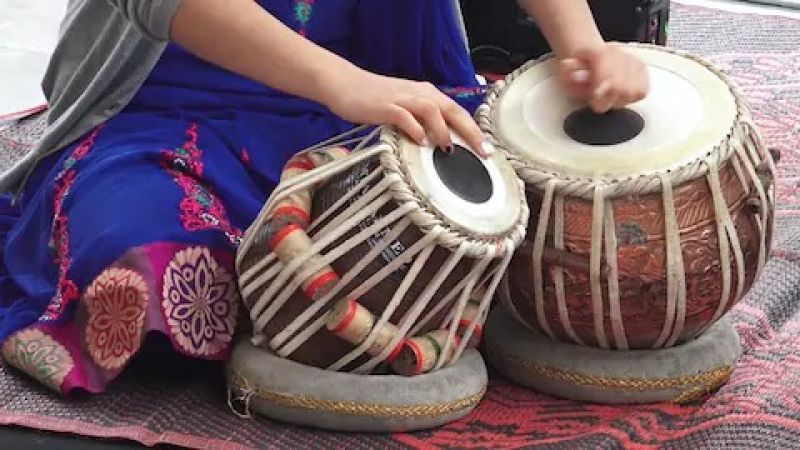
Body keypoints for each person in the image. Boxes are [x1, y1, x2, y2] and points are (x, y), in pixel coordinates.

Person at [0, 0, 648, 395]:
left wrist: (585, 47)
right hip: (168, 109)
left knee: (575, 237)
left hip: (374, 101)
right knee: (148, 272)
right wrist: (344, 85)